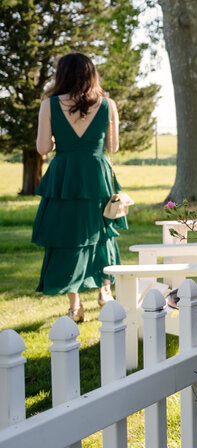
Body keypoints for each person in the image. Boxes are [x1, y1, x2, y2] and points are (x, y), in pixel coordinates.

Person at [32, 53, 126, 322]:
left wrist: (59, 135)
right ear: (91, 74)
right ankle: (104, 292)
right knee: (101, 231)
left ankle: (75, 306)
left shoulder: (49, 105)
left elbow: (42, 148)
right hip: (97, 175)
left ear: (62, 75)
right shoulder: (108, 104)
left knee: (67, 236)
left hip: (65, 177)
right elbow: (113, 147)